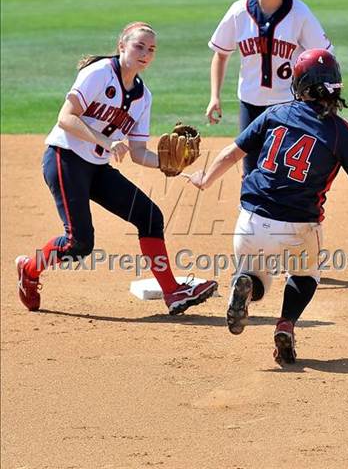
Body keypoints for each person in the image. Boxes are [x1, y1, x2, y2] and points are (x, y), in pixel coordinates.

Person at [190, 49, 348, 365]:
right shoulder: (342, 133)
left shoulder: (275, 113)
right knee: (306, 275)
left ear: (299, 84)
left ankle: (247, 287)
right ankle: (286, 324)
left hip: (250, 221)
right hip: (299, 227)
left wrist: (205, 179)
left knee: (257, 278)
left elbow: (230, 155)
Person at [15, 21, 217, 315]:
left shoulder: (143, 97)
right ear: (122, 46)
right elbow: (66, 118)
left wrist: (167, 164)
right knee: (79, 243)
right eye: (139, 46)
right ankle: (29, 270)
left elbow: (137, 153)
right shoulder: (98, 73)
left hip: (96, 168)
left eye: (151, 49)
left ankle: (173, 292)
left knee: (149, 216)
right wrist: (106, 142)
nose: (145, 53)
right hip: (65, 158)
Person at [206, 0, 332, 175]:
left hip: (289, 103)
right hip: (250, 102)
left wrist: (321, 97)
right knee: (251, 168)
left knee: (282, 168)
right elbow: (221, 54)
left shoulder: (299, 13)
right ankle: (247, 210)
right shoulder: (239, 12)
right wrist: (215, 96)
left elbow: (323, 57)